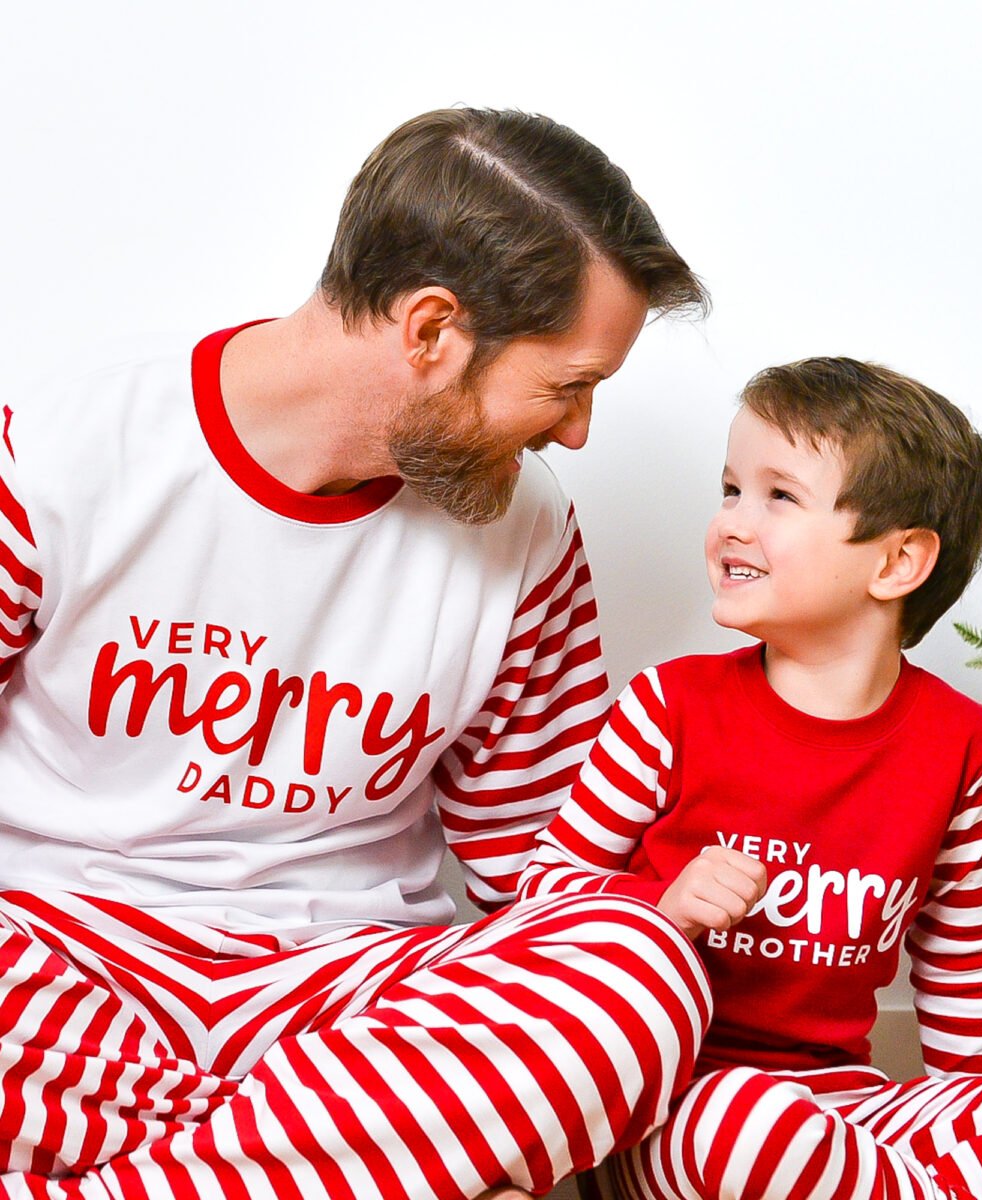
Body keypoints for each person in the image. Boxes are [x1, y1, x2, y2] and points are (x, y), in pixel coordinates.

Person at [0, 108, 714, 1199]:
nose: (574, 434)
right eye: (567, 387)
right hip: (61, 966)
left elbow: (543, 868)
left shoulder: (527, 533)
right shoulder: (58, 449)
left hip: (340, 1001)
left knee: (641, 971)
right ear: (432, 330)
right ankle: (307, 1166)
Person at [519, 358, 982, 1200]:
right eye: (730, 490)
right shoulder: (669, 706)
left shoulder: (958, 740)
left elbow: (960, 954)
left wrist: (960, 1113)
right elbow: (540, 906)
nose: (732, 523)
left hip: (848, 1112)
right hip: (677, 1107)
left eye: (779, 496)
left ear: (899, 563)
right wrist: (661, 907)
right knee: (748, 1129)